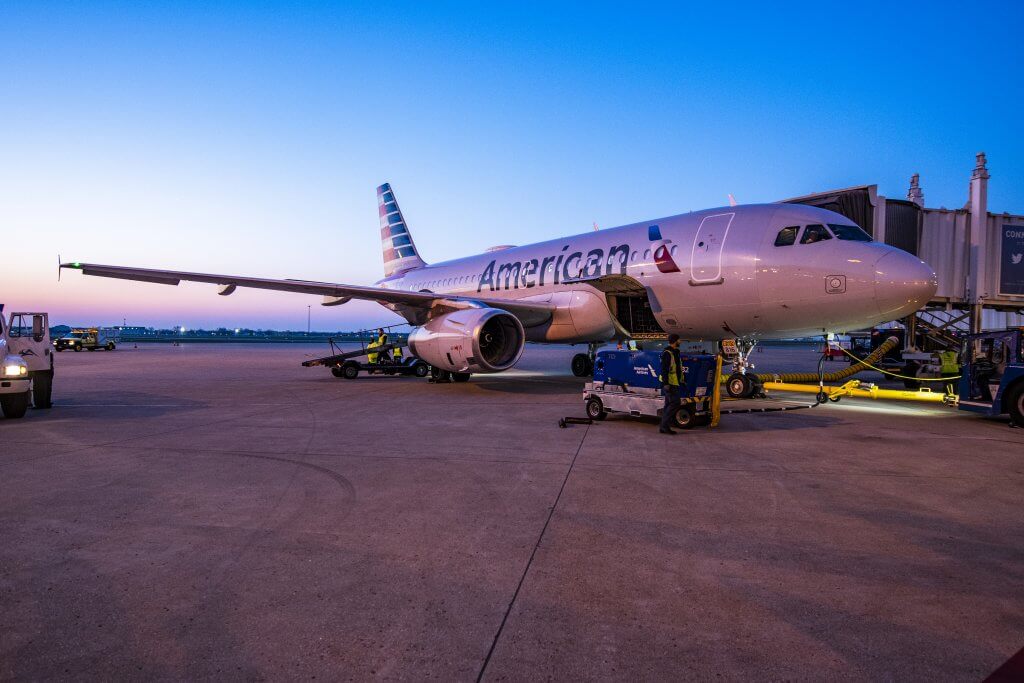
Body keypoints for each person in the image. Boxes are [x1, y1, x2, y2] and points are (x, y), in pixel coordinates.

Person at [659, 334, 685, 435]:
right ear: (675, 341)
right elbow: (664, 369)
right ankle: (665, 426)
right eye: (679, 340)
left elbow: (677, 368)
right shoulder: (667, 353)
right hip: (670, 383)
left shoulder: (675, 352)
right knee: (675, 403)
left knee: (668, 404)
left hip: (675, 382)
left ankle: (663, 427)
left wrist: (681, 379)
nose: (680, 341)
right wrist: (666, 383)